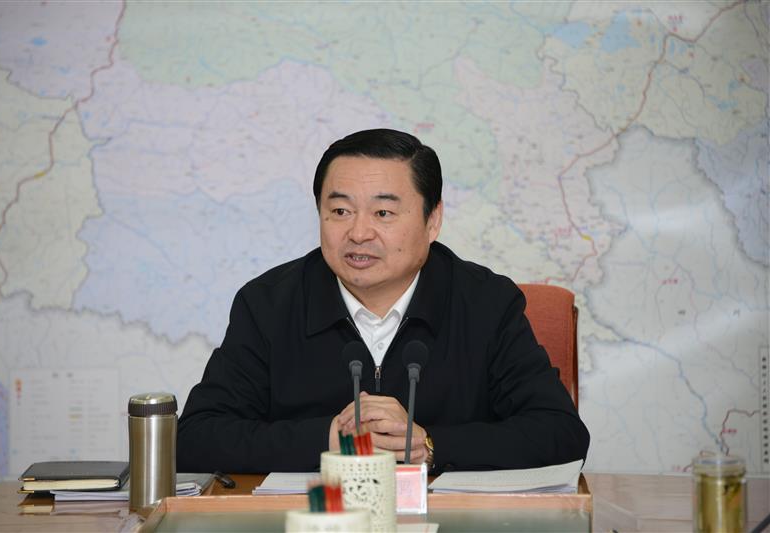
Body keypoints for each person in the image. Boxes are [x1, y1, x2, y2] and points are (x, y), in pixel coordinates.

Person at [177, 128, 590, 473]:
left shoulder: (486, 303)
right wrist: (329, 439)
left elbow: (561, 433)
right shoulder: (269, 304)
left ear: (433, 220)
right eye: (340, 211)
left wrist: (430, 445)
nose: (358, 233)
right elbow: (195, 438)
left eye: (383, 214)